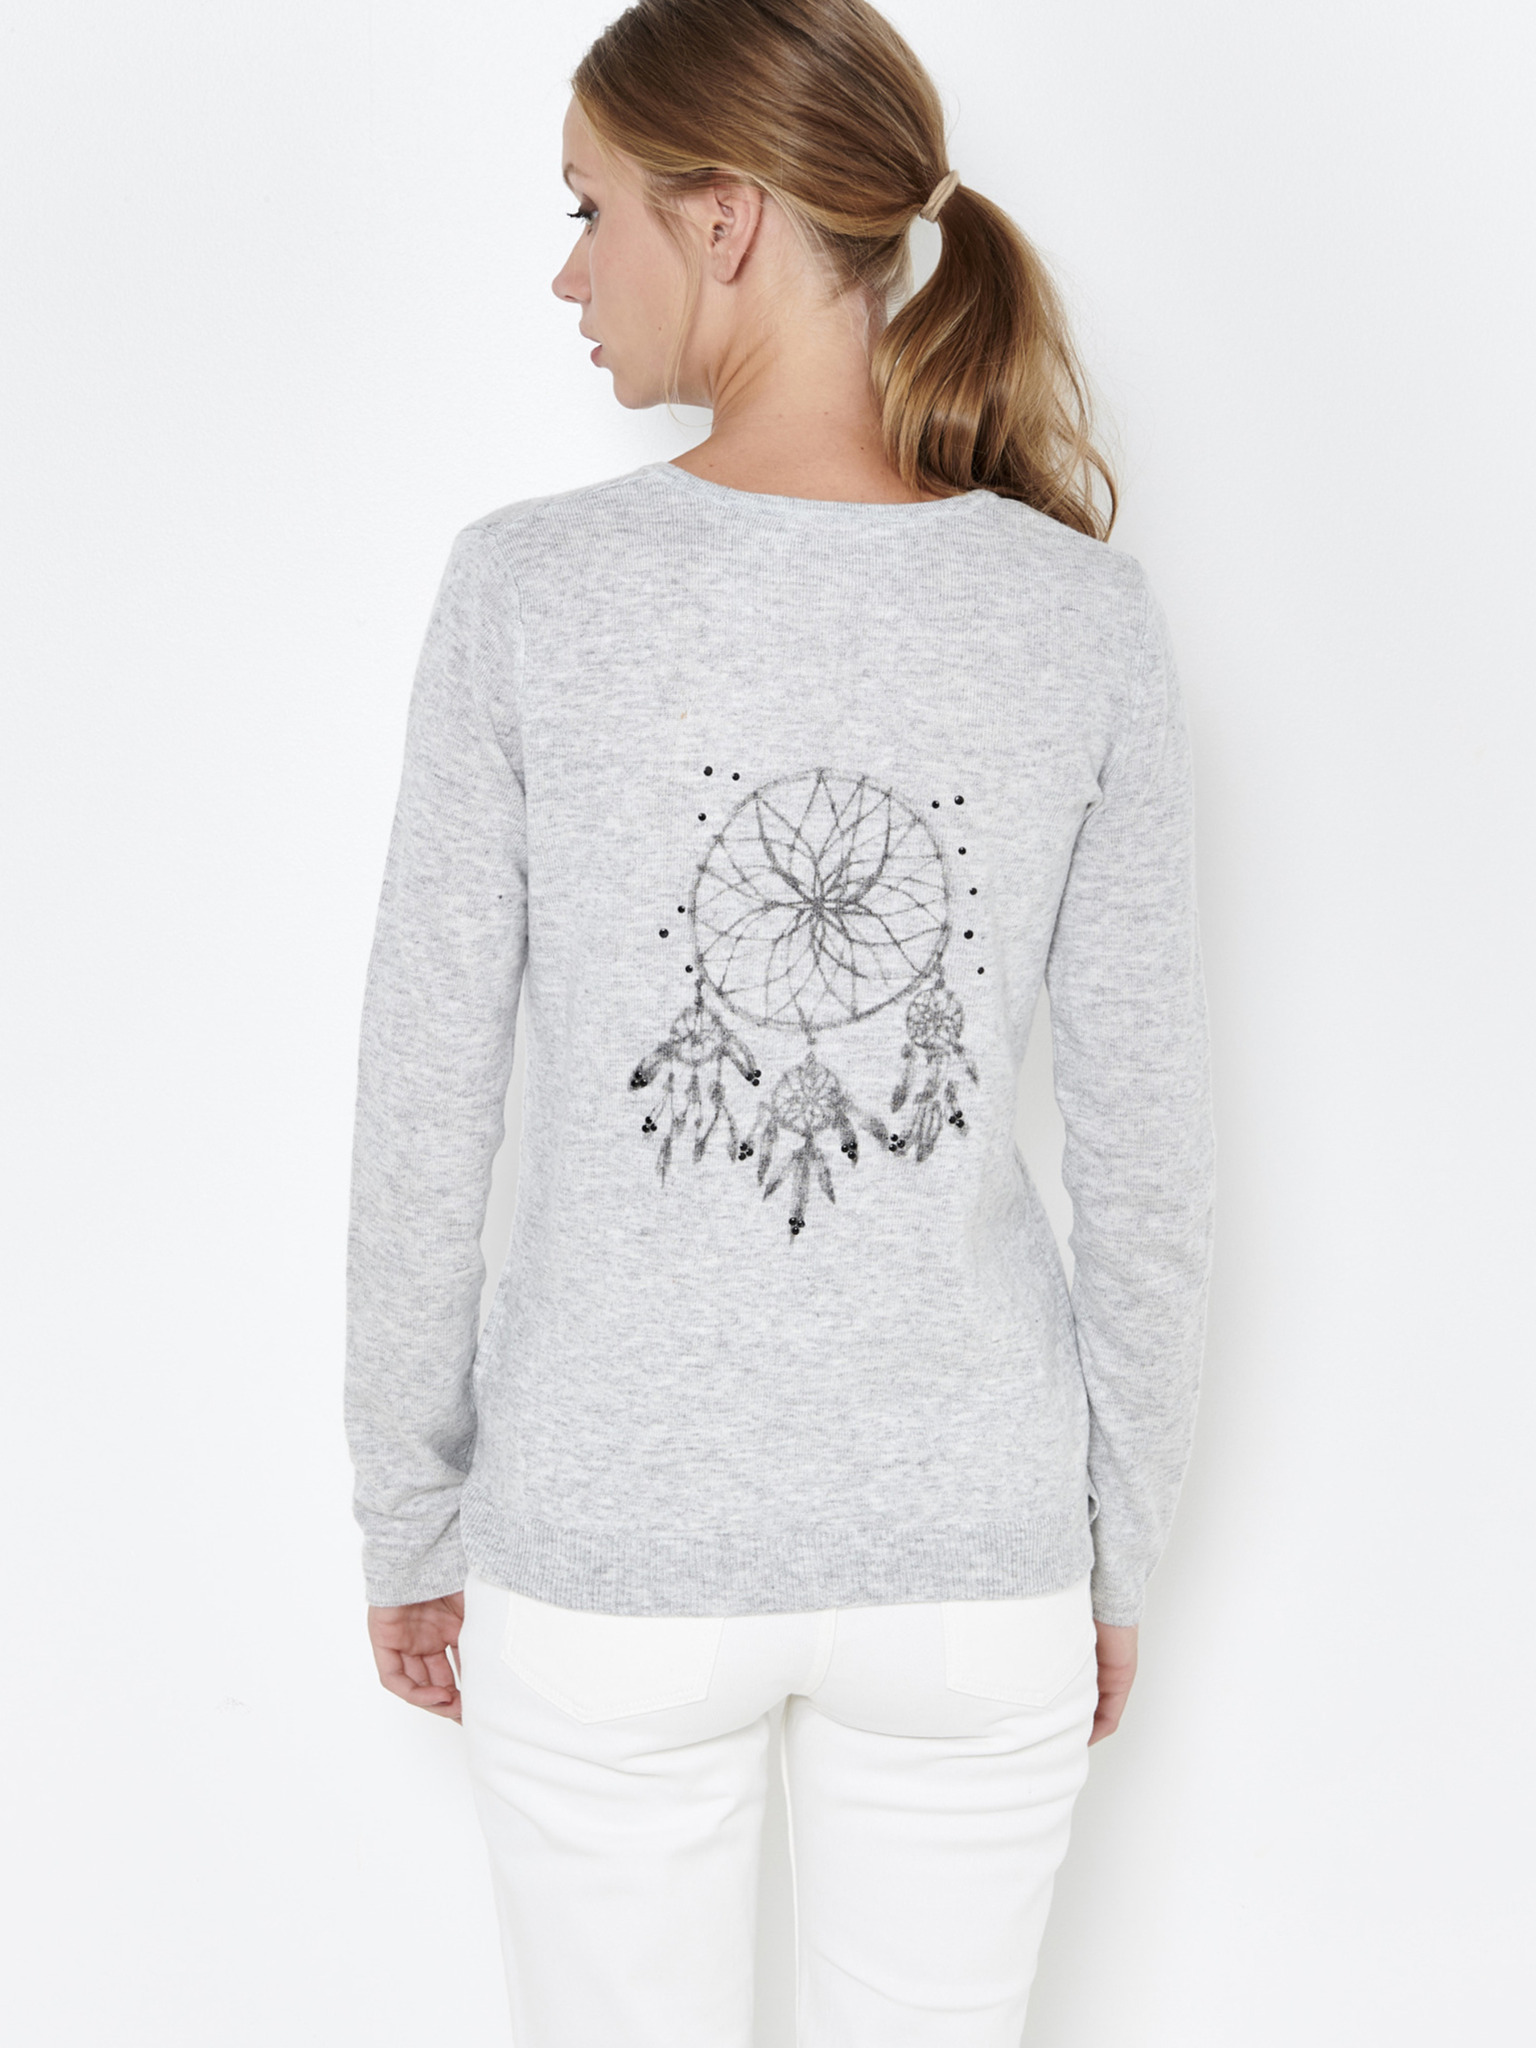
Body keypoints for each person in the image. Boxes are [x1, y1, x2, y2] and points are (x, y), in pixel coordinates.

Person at [344, 2, 1215, 2041]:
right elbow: (1152, 1173)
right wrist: (1110, 1556)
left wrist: (409, 1509)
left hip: (609, 1549)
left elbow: (422, 1110)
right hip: (972, 1559)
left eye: (590, 210)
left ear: (723, 218)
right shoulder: (1081, 616)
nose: (568, 275)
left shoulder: (529, 592)